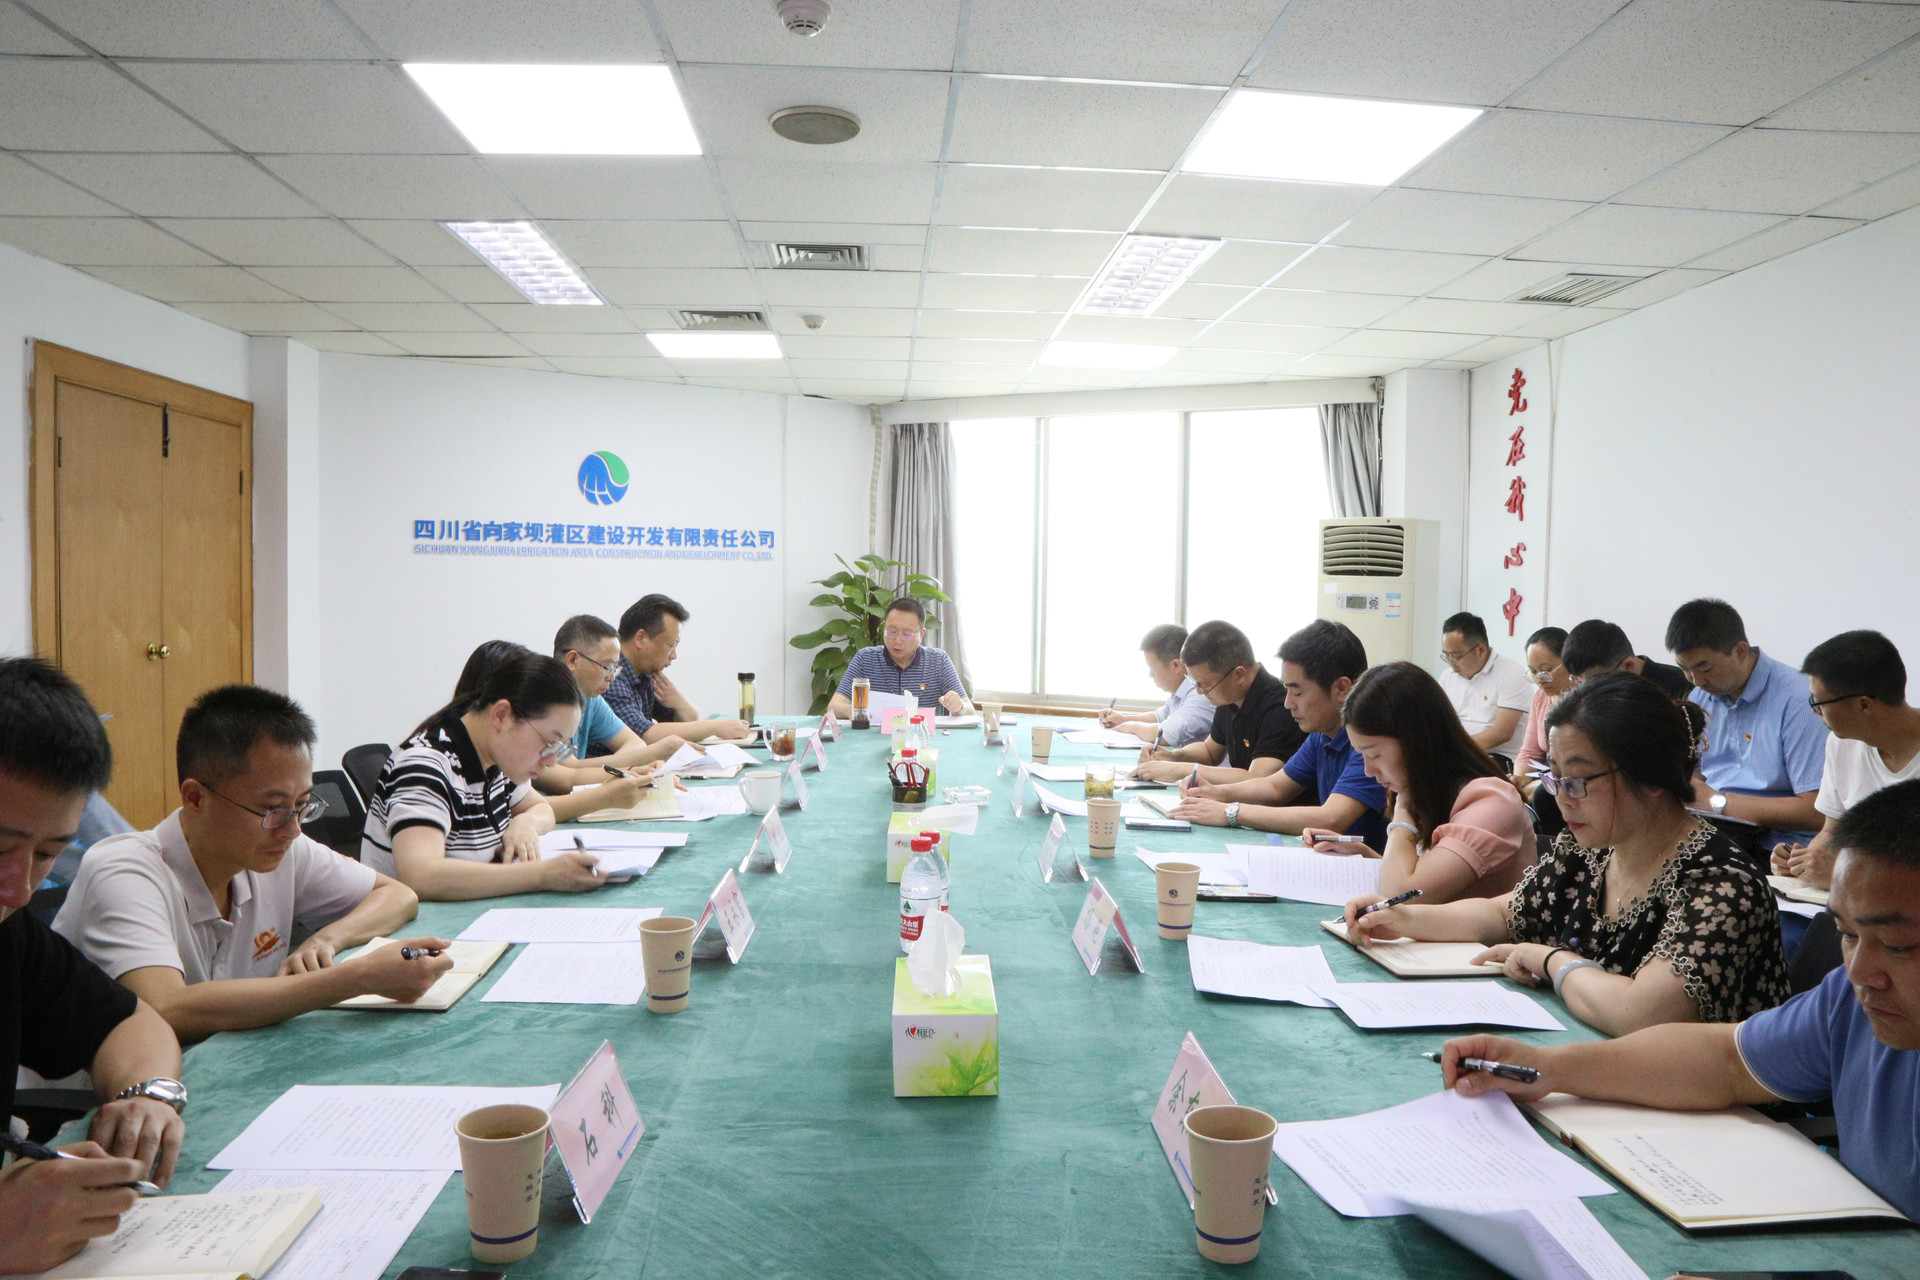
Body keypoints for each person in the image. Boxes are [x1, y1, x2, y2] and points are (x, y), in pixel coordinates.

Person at [1436, 778, 1920, 1222]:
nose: (1860, 973)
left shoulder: (1718, 876)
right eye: (1847, 934)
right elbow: (1726, 1059)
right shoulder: (1846, 1000)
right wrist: (1545, 1068)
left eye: (1897, 946)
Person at [1346, 673, 1789, 1036]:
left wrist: (1552, 960)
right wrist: (1404, 919)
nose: (1560, 799)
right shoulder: (1591, 851)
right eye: (1553, 779)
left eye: (1576, 782)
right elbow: (1503, 913)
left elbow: (1641, 1013)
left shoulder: (1721, 882)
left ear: (1651, 776)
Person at [54, 686, 451, 1044]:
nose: (293, 829)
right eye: (272, 808)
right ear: (195, 798)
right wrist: (355, 977)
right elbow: (166, 1008)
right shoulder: (123, 871)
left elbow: (396, 895)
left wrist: (328, 940)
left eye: (302, 805)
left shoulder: (280, 848)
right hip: (107, 1095)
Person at [0, 658, 188, 1270]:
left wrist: (146, 1096)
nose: (19, 889)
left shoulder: (9, 932)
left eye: (47, 855)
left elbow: (129, 1022)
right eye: (0, 847)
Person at [362, 649, 606, 900]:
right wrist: (544, 874)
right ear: (501, 716)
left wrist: (525, 823)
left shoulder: (497, 758)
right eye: (548, 743)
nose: (551, 761)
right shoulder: (425, 765)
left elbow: (541, 808)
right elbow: (421, 875)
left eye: (559, 748)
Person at [1306, 661, 1535, 901]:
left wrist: (1403, 811)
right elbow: (1426, 881)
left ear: (1415, 742)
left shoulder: (1491, 802)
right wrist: (1363, 855)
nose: (1368, 770)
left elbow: (1404, 897)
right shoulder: (1431, 790)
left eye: (1374, 755)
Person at [1168, 621, 1386, 845]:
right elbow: (1274, 787)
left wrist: (1230, 812)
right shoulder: (1322, 735)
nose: (1288, 703)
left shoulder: (1370, 743)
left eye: (1297, 692)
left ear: (1341, 688)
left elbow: (1331, 819)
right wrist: (1215, 793)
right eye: (1286, 689)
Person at [1666, 598, 1825, 853]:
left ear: (1740, 651)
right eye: (1684, 669)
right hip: (1714, 831)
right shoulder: (1700, 697)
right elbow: (1694, 772)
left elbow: (1817, 810)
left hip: (1778, 848)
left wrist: (1717, 802)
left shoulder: (1798, 700)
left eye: (1704, 667)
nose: (1696, 681)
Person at [1773, 630, 1920, 891]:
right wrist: (1802, 862)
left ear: (1864, 705)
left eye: (1819, 702)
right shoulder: (1841, 743)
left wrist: (1846, 873)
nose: (1815, 712)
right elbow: (1831, 832)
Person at [538, 615, 686, 824]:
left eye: (615, 669)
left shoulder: (590, 699)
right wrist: (637, 764)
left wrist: (632, 771)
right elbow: (568, 775)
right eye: (607, 667)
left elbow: (634, 743)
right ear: (572, 660)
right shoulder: (540, 705)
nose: (612, 677)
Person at [1133, 621, 1306, 785]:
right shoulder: (1229, 695)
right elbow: (1210, 751)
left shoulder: (1279, 707)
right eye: (1195, 684)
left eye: (1205, 684)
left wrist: (1181, 770)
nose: (1200, 692)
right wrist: (1173, 757)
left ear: (1239, 675)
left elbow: (1258, 779)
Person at [604, 594, 751, 744]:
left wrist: (679, 702)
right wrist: (715, 727)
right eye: (671, 645)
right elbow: (645, 735)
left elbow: (686, 723)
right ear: (640, 638)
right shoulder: (611, 677)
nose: (674, 656)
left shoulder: (645, 675)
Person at [829, 597, 971, 717]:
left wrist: (959, 706)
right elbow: (834, 706)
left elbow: (969, 710)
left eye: (907, 634)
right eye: (891, 631)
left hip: (923, 738)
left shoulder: (938, 661)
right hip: (874, 737)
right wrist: (855, 711)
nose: (897, 640)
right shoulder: (865, 658)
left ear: (921, 634)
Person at [1437, 611, 1533, 769]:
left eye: (1456, 656)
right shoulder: (1447, 676)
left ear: (1480, 650)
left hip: (1499, 757)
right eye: (1446, 656)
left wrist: (1455, 748)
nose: (1451, 662)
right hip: (1458, 754)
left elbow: (1502, 733)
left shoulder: (1511, 673)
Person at [1098, 624, 1214, 750]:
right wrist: (1123, 719)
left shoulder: (1200, 693)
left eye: (1153, 669)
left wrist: (1132, 726)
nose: (1150, 675)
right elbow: (1159, 717)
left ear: (1176, 666)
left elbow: (1166, 734)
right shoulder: (1181, 690)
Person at [1515, 626, 1573, 840]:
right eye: (1533, 672)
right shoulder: (1541, 697)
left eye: (1546, 670)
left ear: (1568, 662)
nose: (1540, 679)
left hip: (1573, 776)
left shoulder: (1585, 699)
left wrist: (1543, 782)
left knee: (1541, 796)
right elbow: (1529, 751)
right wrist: (1518, 779)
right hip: (1547, 774)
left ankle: (1558, 852)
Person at [1559, 618, 1692, 701]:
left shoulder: (1681, 686)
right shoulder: (1592, 695)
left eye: (1597, 681)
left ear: (1628, 665)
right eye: (1581, 681)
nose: (1589, 689)